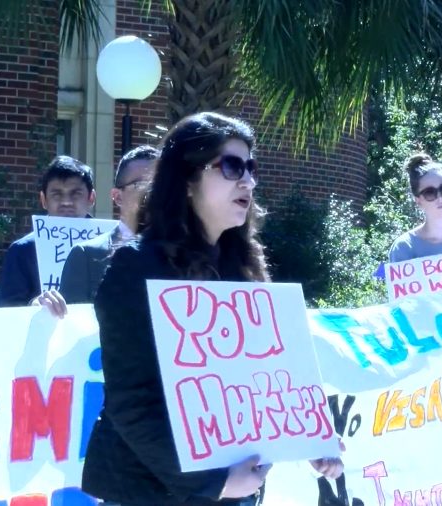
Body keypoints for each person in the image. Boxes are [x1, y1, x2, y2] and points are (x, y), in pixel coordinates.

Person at [81, 112, 343, 505]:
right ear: (187, 180)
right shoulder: (135, 267)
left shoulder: (245, 269)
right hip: (148, 491)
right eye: (232, 166)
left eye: (251, 168)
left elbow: (265, 382)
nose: (248, 180)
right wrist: (213, 482)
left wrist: (311, 436)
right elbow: (132, 403)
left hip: (236, 489)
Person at [59, 145, 159, 303]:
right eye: (140, 185)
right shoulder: (87, 256)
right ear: (118, 197)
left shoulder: (186, 255)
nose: (152, 194)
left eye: (159, 185)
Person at [0, 155, 95, 310]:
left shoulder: (113, 247)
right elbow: (7, 312)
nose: (66, 202)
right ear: (43, 200)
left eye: (76, 194)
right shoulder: (22, 250)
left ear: (91, 198)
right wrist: (33, 306)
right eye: (57, 194)